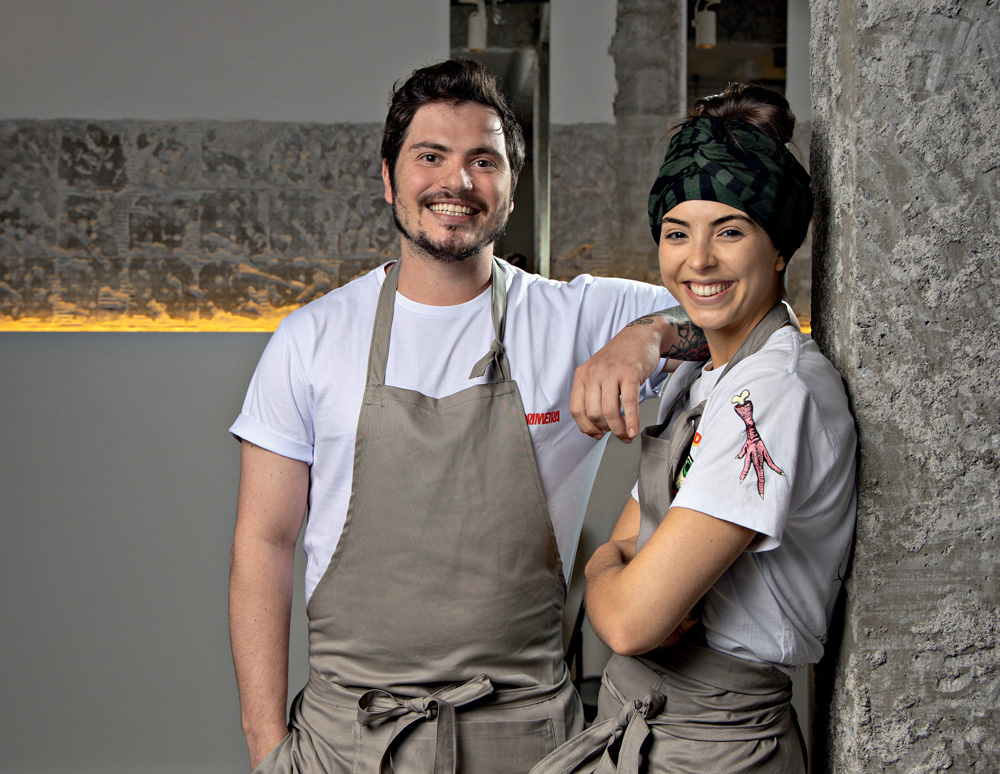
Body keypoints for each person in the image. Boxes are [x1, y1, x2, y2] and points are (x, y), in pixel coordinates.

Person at [227, 58, 706, 774]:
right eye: (431, 157)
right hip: (349, 743)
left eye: (484, 160)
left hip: (531, 741)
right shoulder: (312, 338)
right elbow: (263, 546)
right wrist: (268, 752)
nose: (456, 183)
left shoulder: (574, 317)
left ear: (511, 185)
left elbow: (752, 320)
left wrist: (653, 335)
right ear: (390, 178)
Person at [532, 84, 858, 773]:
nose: (698, 260)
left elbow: (627, 620)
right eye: (678, 233)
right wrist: (648, 332)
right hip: (641, 722)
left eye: (730, 231)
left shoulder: (772, 394)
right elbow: (628, 552)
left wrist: (602, 570)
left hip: (716, 746)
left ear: (779, 247)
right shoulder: (710, 374)